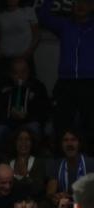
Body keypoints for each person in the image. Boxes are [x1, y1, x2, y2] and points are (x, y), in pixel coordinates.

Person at [37, 0, 94, 138]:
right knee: (62, 124)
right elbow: (42, 16)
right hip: (66, 82)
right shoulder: (65, 25)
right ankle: (61, 157)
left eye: (85, 2)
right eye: (77, 2)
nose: (81, 5)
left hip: (90, 82)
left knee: (91, 125)